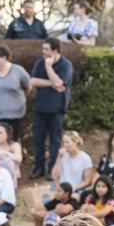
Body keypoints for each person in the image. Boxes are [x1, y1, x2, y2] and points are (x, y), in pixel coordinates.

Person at [30, 37, 73, 180]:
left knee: (55, 140)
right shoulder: (39, 63)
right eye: (43, 49)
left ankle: (52, 170)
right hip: (39, 108)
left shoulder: (65, 65)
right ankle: (38, 168)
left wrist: (49, 67)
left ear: (55, 51)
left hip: (56, 109)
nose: (43, 52)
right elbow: (33, 81)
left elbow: (61, 83)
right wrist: (52, 83)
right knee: (38, 140)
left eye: (46, 50)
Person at [52, 131, 93, 195]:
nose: (65, 145)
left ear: (75, 142)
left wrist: (72, 189)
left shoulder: (85, 158)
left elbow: (88, 181)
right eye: (64, 142)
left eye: (67, 142)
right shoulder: (62, 155)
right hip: (61, 190)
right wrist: (59, 157)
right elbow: (55, 176)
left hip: (76, 191)